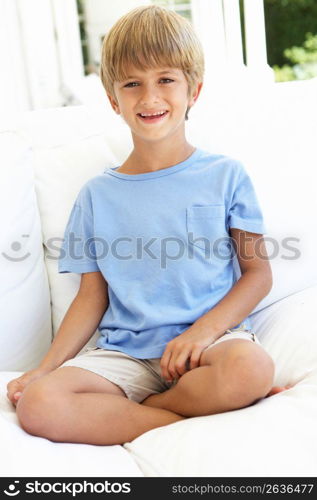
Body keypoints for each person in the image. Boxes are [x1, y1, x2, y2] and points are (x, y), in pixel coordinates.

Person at [7, 5, 291, 446]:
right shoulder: (96, 196)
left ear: (193, 90)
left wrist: (203, 332)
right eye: (132, 84)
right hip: (126, 354)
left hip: (210, 344)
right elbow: (90, 297)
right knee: (40, 403)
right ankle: (179, 420)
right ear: (112, 99)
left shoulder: (225, 175)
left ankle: (147, 412)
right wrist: (44, 370)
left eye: (165, 80)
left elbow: (258, 274)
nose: (150, 97)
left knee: (250, 368)